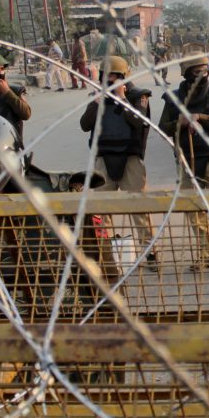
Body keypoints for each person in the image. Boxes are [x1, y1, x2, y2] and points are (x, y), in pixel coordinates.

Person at [158, 56, 209, 272]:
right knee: (195, 213)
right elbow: (163, 128)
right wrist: (181, 122)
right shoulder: (173, 99)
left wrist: (199, 117)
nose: (202, 75)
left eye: (205, 71)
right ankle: (206, 254)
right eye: (197, 72)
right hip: (186, 162)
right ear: (186, 74)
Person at [80, 55, 158, 268]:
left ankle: (149, 252)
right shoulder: (97, 96)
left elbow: (140, 122)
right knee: (101, 209)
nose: (111, 81)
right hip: (104, 158)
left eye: (115, 77)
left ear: (124, 77)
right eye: (107, 77)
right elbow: (85, 125)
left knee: (139, 207)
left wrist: (122, 99)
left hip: (130, 158)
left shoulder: (138, 97)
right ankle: (106, 253)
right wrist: (97, 103)